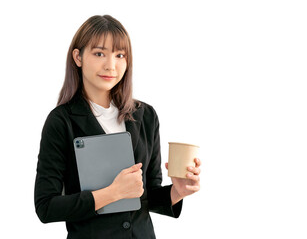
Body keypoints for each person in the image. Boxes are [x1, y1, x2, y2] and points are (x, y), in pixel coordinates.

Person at [34, 15, 201, 239]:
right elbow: (46, 207)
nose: (111, 65)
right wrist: (112, 193)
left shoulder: (146, 115)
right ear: (78, 57)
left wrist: (176, 192)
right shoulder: (61, 121)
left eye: (120, 55)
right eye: (99, 53)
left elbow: (145, 196)